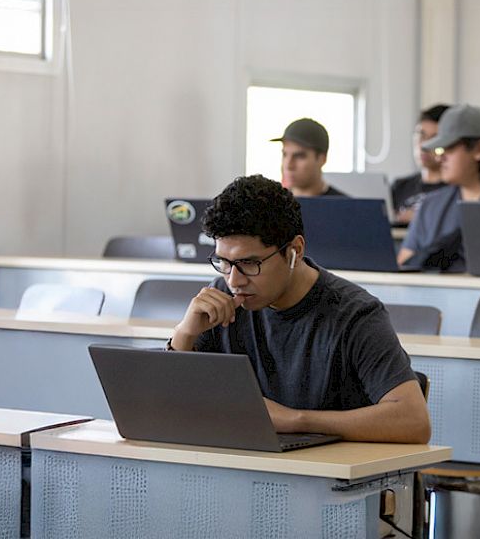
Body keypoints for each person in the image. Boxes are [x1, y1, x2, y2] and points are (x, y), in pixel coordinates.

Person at [167, 175, 430, 444]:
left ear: (295, 250)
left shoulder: (354, 314)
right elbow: (166, 409)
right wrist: (184, 334)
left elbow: (414, 421)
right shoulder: (221, 298)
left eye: (249, 263)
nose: (234, 280)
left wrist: (295, 420)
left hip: (333, 477)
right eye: (223, 262)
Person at [397, 104, 480, 271]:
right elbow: (404, 265)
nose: (440, 158)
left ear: (479, 149)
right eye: (440, 150)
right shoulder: (430, 206)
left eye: (449, 148)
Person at [390, 104, 449, 224]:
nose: (424, 145)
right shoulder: (400, 186)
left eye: (434, 138)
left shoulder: (457, 190)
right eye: (421, 135)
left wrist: (421, 218)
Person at [272, 118, 346, 197]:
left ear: (322, 159)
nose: (289, 165)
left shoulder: (347, 207)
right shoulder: (271, 205)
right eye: (285, 155)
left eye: (299, 156)